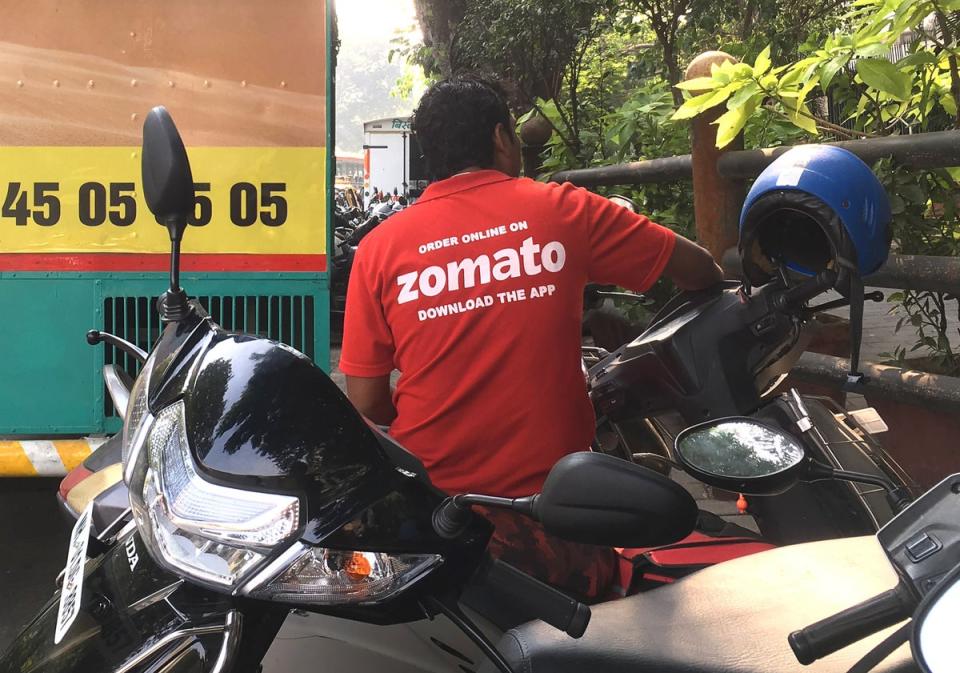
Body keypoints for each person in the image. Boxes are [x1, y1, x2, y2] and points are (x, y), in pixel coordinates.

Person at [339, 75, 723, 600]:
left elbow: (366, 399)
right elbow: (700, 271)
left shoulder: (379, 249)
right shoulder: (564, 210)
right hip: (555, 516)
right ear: (501, 138)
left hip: (434, 517)